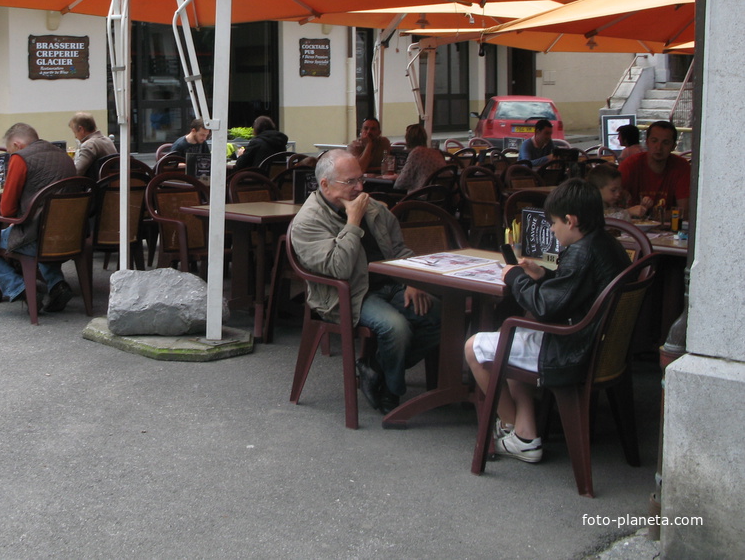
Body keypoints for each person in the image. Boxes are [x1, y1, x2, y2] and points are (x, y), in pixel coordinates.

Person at [464, 179, 631, 464]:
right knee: (520, 334)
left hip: (571, 351)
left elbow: (543, 307)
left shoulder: (581, 252)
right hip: (598, 348)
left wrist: (514, 277)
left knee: (473, 348)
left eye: (554, 223)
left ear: (571, 220)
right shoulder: (605, 244)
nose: (552, 230)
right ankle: (525, 434)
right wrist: (545, 276)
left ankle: (510, 426)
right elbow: (574, 290)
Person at [290, 149, 441, 415]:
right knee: (396, 328)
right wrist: (353, 221)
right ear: (324, 184)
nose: (359, 187)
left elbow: (398, 249)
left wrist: (414, 280)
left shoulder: (372, 208)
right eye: (350, 182)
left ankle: (376, 369)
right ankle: (391, 392)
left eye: (361, 179)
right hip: (347, 294)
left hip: (390, 283)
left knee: (439, 314)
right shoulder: (308, 222)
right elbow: (339, 269)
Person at [0, 123, 78, 312]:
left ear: (17, 145)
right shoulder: (65, 156)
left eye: (9, 150)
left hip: (36, 238)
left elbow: (6, 210)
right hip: (68, 237)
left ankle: (19, 288)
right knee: (43, 224)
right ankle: (57, 285)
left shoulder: (21, 159)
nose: (10, 155)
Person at [619, 120, 690, 215]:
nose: (659, 147)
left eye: (665, 142)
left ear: (673, 146)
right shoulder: (629, 165)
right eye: (654, 141)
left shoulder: (681, 166)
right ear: (647, 142)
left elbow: (684, 211)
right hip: (632, 226)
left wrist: (652, 216)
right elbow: (613, 205)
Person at [393, 122, 447, 192]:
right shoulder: (437, 152)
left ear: (408, 139)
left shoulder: (416, 153)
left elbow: (400, 184)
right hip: (441, 196)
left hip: (422, 197)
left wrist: (397, 177)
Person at [67, 112, 116, 179]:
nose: (75, 136)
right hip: (112, 183)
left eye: (74, 132)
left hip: (96, 186)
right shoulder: (108, 140)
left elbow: (77, 172)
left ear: (81, 129)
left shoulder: (89, 145)